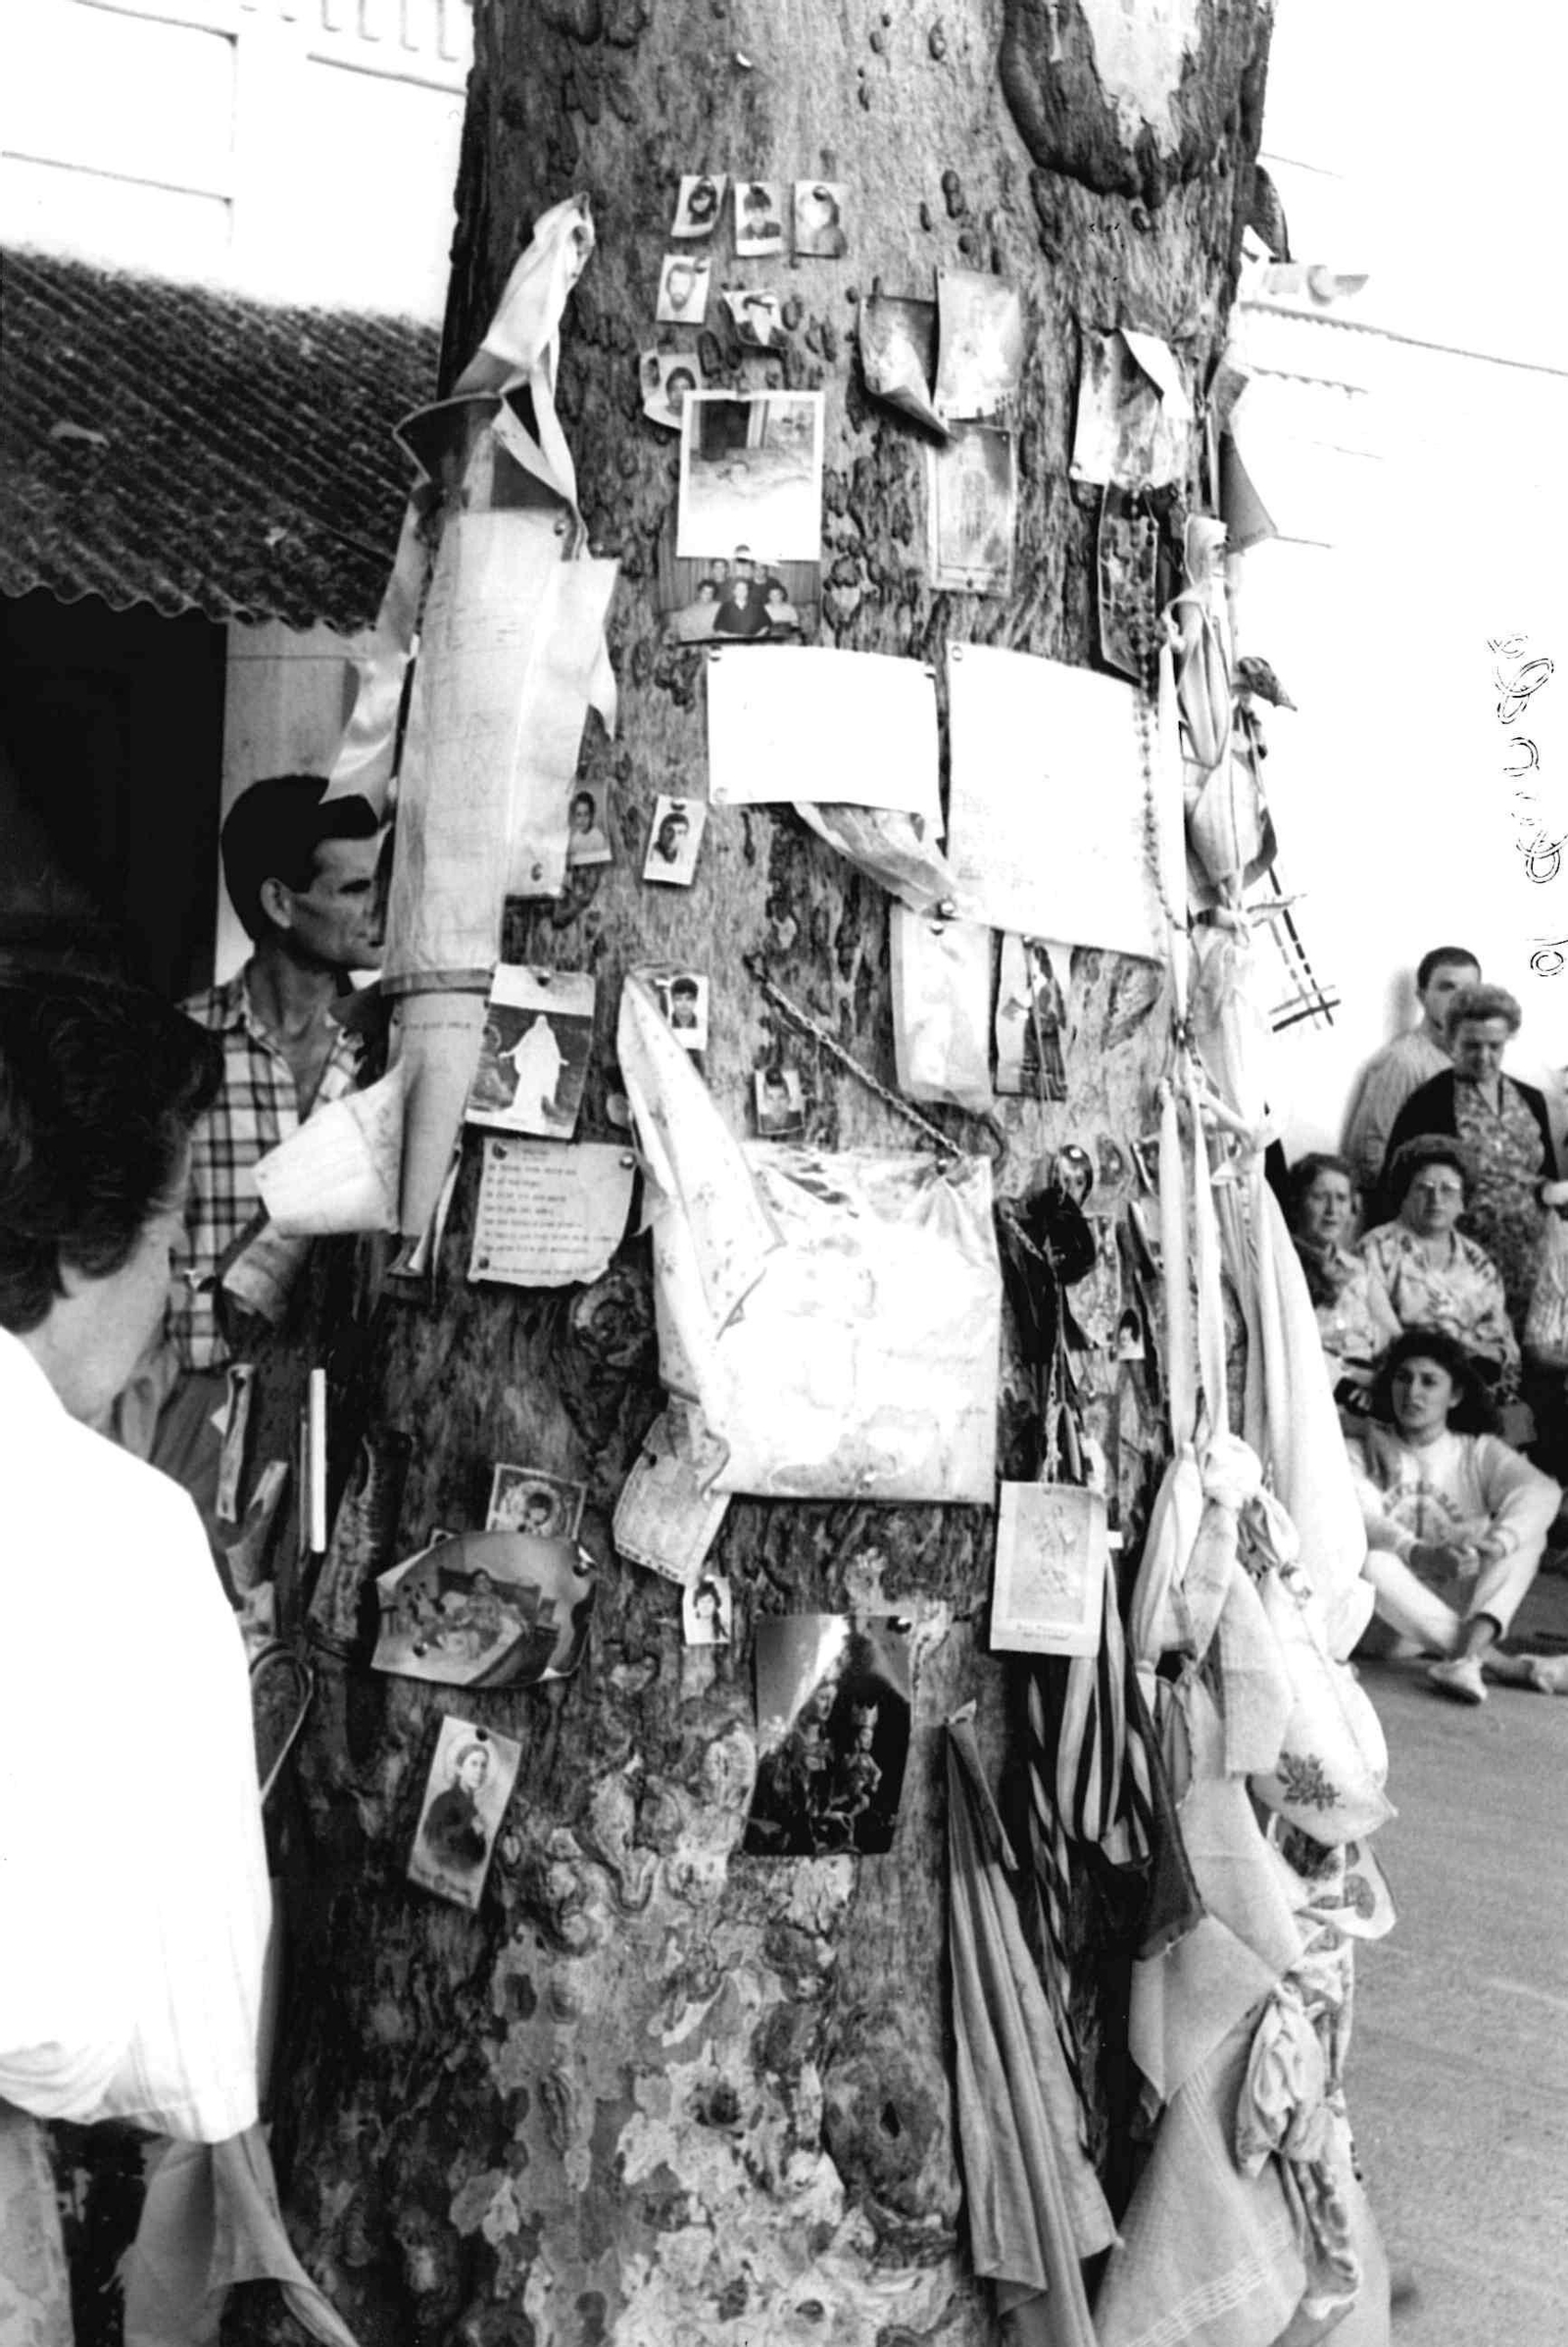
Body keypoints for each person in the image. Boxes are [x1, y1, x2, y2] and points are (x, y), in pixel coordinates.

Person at [0, 967, 270, 2325]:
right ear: (73, 1248)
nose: (173, 1285)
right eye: (167, 1238)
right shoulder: (116, 1532)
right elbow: (144, 2053)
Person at [152, 775, 382, 1541]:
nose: (378, 907)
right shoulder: (176, 1051)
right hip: (202, 1406)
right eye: (354, 887)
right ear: (281, 903)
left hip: (357, 1411)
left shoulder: (395, 1052)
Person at [1347, 1329, 1564, 1702]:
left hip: (1449, 1612)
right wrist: (1418, 1552)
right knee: (1370, 1559)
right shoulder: (1360, 1448)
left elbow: (1542, 1492)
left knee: (1528, 1536)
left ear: (1456, 1395)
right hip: (1380, 1622)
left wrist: (1497, 1544)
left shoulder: (1476, 1452)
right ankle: (1501, 1664)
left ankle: (1465, 1656)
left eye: (1429, 1381)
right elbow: (1359, 1517)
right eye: (1403, 1378)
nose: (1413, 1392)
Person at [1382, 982, 1567, 1324]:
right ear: (1451, 1041)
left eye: (1494, 1046)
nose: (1484, 1057)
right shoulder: (1429, 1102)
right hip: (1463, 1267)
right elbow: (1396, 1188)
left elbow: (1548, 1176)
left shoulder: (1531, 1099)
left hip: (1530, 1262)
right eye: (1471, 1045)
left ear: (1508, 1040)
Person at [1356, 1137, 1520, 1397]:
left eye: (1449, 1189)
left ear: (1463, 1201)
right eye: (1424, 1188)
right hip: (1406, 1389)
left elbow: (1503, 1344)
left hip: (1474, 1389)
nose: (1436, 1198)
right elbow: (1377, 1338)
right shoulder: (1376, 1250)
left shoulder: (1478, 1261)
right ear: (1404, 1193)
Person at [1341, 945, 1479, 1194]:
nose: (1459, 999)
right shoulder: (1403, 1061)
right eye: (1447, 987)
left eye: (1469, 990)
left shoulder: (1475, 1064)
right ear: (1422, 995)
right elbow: (1368, 1156)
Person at [1285, 1151, 1400, 1401]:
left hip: (1368, 1390)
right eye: (1319, 1197)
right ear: (1297, 1202)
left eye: (1341, 1199)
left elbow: (1393, 1338)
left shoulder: (1360, 1271)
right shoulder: (1282, 1265)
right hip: (1313, 1394)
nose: (1332, 1211)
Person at [421, 1741, 492, 1869]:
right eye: (474, 1764)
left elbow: (477, 1857)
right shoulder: (443, 1800)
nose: (479, 1771)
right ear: (459, 1769)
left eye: (483, 1766)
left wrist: (480, 1836)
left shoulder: (474, 1811)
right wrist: (469, 1827)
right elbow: (433, 1842)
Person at [564, 787, 610, 865]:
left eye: (586, 814)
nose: (582, 819)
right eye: (579, 815)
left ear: (591, 815)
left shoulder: (598, 838)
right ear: (574, 816)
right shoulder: (575, 838)